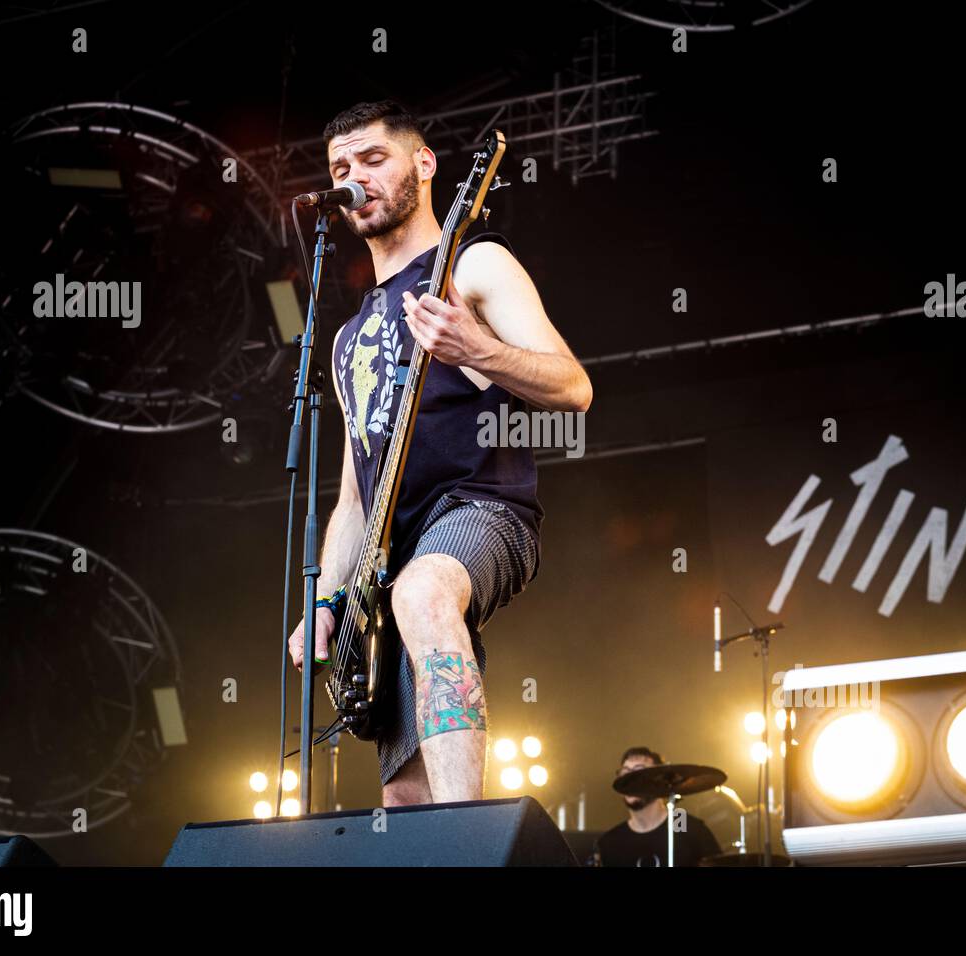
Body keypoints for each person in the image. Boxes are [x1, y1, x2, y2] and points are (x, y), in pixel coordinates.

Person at [287, 100, 592, 807]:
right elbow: (354, 498)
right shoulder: (344, 341)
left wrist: (476, 349)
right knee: (402, 800)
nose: (353, 177)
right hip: (387, 564)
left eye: (371, 159)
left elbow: (574, 388)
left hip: (484, 509)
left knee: (423, 592)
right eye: (339, 168)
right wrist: (329, 597)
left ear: (423, 165)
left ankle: (470, 839)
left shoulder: (474, 264)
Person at [594, 747, 722, 867]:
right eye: (625, 772)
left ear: (661, 781)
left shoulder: (686, 826)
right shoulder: (610, 842)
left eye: (639, 771)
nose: (630, 780)